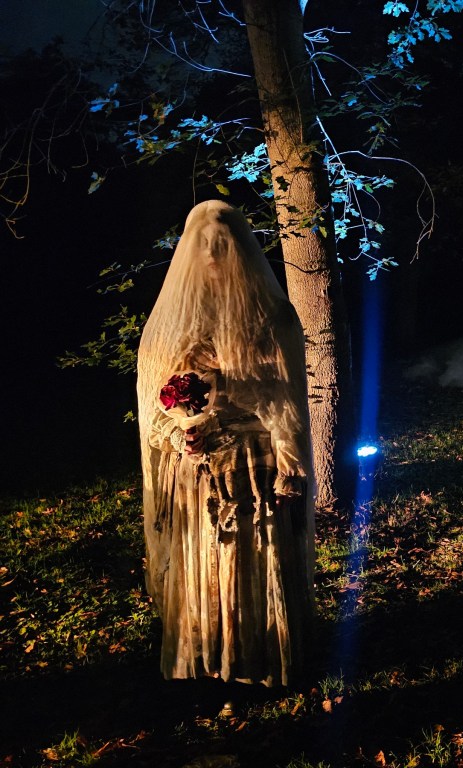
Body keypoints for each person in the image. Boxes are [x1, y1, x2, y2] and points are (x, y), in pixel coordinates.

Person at [137, 200, 315, 687]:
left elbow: (285, 403)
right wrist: (180, 433)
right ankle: (207, 656)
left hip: (252, 465)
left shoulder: (272, 317)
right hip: (196, 474)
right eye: (204, 247)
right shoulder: (174, 326)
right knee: (205, 559)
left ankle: (255, 657)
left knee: (248, 558)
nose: (213, 257)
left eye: (222, 246)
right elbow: (155, 408)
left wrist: (289, 467)